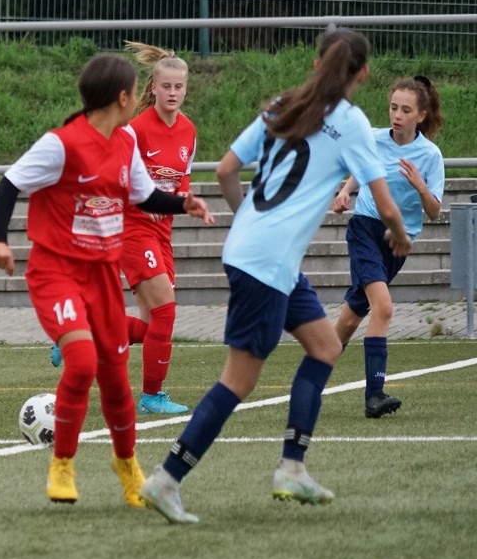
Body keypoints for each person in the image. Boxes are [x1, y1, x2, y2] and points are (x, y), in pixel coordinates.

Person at [139, 28, 413, 524]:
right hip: (264, 264)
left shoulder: (282, 103)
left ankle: (292, 469)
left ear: (316, 65)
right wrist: (399, 235)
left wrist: (249, 223)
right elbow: (387, 205)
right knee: (238, 380)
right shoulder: (350, 122)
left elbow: (226, 170)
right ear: (364, 75)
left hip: (264, 257)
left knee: (326, 346)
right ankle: (167, 478)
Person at [0, 54, 213, 507]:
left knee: (114, 379)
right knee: (83, 361)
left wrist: (182, 203)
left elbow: (144, 195)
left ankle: (126, 464)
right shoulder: (62, 144)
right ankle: (62, 465)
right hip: (57, 272)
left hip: (102, 275)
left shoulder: (126, 142)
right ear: (124, 98)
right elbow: (10, 183)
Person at [50, 44, 198, 418]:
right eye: (166, 86)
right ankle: (152, 397)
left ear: (185, 88)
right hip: (132, 229)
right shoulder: (134, 131)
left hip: (162, 234)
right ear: (153, 87)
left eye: (179, 86)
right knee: (166, 311)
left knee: (151, 326)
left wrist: (181, 198)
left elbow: (182, 181)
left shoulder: (188, 131)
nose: (173, 93)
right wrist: (143, 201)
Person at [331, 76, 445, 418]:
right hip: (365, 228)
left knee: (350, 319)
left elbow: (434, 211)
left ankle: (310, 376)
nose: (397, 115)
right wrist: (346, 190)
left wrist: (421, 186)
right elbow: (362, 166)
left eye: (406, 110)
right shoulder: (375, 138)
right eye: (394, 107)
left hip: (398, 242)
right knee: (383, 307)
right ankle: (375, 396)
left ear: (421, 116)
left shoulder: (430, 155)